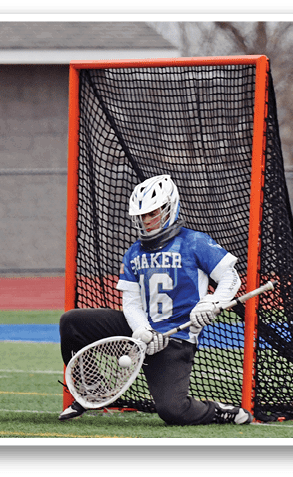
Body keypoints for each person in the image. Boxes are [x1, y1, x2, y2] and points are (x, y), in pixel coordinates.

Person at [57, 174, 252, 425]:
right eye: (141, 216)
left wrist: (211, 303)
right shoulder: (134, 252)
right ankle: (92, 389)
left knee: (173, 411)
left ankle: (218, 411)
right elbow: (131, 303)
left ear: (169, 208)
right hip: (141, 330)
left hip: (176, 337)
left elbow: (231, 278)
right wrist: (142, 330)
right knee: (73, 322)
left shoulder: (194, 242)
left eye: (152, 213)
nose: (146, 221)